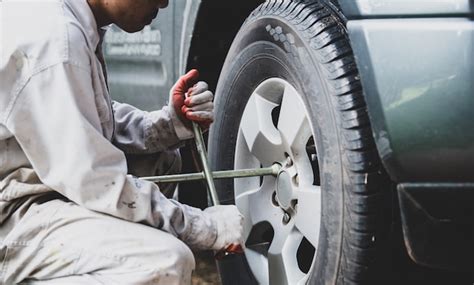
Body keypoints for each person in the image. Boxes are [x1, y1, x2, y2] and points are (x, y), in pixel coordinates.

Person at [0, 0, 244, 284]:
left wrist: (168, 125)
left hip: (36, 189)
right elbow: (96, 181)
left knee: (162, 161)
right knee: (166, 262)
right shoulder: (54, 39)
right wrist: (206, 228)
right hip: (12, 219)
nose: (165, 3)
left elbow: (79, 117)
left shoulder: (67, 19)